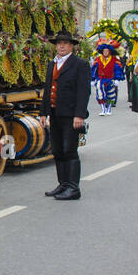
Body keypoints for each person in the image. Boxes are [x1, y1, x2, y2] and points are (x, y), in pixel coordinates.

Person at [39, 30, 89, 200]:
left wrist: (79, 115)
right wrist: (44, 113)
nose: (61, 45)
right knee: (58, 150)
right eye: (59, 43)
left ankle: (73, 188)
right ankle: (63, 184)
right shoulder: (52, 64)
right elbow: (47, 90)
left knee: (70, 150)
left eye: (65, 43)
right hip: (55, 113)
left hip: (71, 115)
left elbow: (84, 92)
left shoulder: (80, 64)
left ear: (71, 46)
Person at [90, 41, 123, 116]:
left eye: (107, 51)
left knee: (111, 95)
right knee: (100, 94)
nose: (105, 52)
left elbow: (117, 69)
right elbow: (94, 70)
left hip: (110, 79)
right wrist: (93, 79)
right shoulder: (97, 59)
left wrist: (117, 79)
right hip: (100, 80)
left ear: (109, 51)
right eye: (104, 51)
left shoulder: (114, 60)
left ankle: (109, 109)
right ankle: (103, 109)